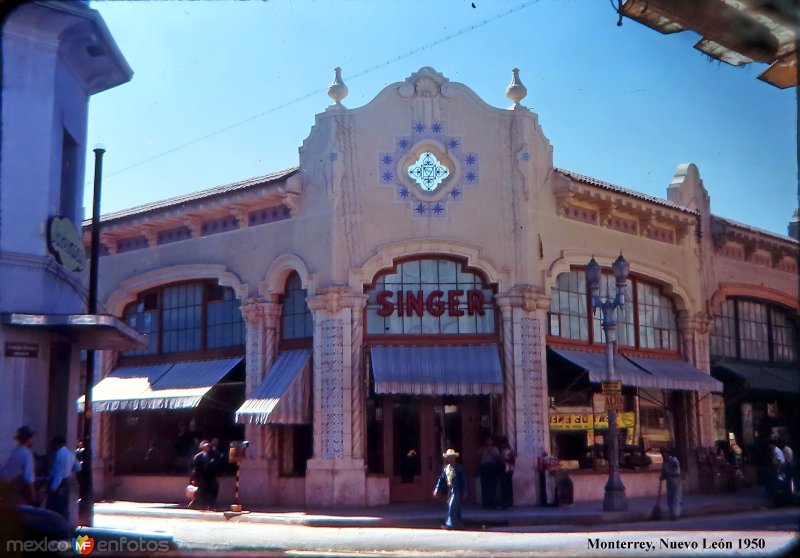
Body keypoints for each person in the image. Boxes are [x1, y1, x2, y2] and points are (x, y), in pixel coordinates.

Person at [46, 435, 80, 522]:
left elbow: (58, 474)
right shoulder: (71, 453)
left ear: (56, 445)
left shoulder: (59, 454)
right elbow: (78, 467)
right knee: (64, 507)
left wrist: (52, 488)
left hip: (58, 484)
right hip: (66, 482)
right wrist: (69, 470)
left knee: (54, 508)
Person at [0, 425, 37, 506]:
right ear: (28, 439)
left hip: (6, 489)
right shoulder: (27, 454)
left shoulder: (15, 451)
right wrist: (33, 495)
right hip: (17, 490)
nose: (33, 441)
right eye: (32, 438)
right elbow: (29, 477)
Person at [433, 449, 467, 530]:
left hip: (456, 491)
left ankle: (449, 524)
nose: (450, 458)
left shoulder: (458, 468)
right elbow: (441, 480)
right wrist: (437, 489)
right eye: (449, 457)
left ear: (454, 458)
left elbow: (464, 480)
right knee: (455, 508)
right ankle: (459, 525)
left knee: (452, 507)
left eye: (452, 457)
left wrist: (465, 490)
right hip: (450, 491)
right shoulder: (446, 469)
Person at [477, 436, 501, 509]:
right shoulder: (482, 449)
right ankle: (485, 503)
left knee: (492, 486)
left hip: (492, 467)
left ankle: (492, 503)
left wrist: (491, 452)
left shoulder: (495, 449)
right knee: (485, 486)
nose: (488, 442)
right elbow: (478, 457)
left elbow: (498, 457)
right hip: (484, 467)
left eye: (490, 441)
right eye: (487, 441)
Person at [190, 440, 214, 510]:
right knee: (200, 490)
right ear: (203, 448)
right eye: (206, 447)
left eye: (208, 447)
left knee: (208, 490)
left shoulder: (210, 456)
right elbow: (195, 468)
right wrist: (194, 478)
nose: (208, 448)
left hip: (208, 477)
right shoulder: (198, 456)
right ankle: (198, 504)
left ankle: (207, 504)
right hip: (200, 477)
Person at [659, 447, 682, 520]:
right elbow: (664, 472)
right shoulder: (664, 462)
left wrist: (673, 470)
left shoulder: (672, 459)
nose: (663, 455)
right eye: (662, 453)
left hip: (675, 479)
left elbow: (676, 465)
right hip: (669, 480)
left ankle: (676, 514)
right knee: (670, 497)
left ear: (667, 453)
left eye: (664, 453)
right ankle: (672, 513)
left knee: (676, 497)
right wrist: (662, 477)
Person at [498, 436, 516, 509]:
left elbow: (511, 460)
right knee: (508, 486)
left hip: (507, 469)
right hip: (509, 469)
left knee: (505, 486)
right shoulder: (508, 450)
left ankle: (506, 503)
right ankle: (508, 502)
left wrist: (503, 461)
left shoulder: (506, 450)